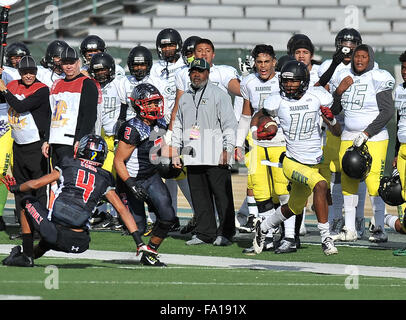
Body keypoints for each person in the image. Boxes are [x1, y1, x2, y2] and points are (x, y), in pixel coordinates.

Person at [1, 134, 155, 267]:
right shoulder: (104, 177)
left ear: (81, 149)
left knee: (26, 202)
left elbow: (35, 184)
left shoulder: (68, 164)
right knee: (47, 242)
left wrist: (15, 188)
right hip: (81, 242)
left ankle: (26, 257)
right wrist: (139, 242)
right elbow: (122, 210)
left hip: (55, 232)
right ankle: (24, 256)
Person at [251, 60, 341, 256]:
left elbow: (337, 131)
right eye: (286, 81)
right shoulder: (277, 100)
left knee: (293, 207)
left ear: (304, 81)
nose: (289, 85)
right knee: (320, 185)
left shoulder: (317, 97)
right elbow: (260, 115)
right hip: (292, 162)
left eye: (293, 81)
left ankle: (263, 228)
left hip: (313, 163)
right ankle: (326, 239)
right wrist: (267, 126)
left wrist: (331, 119)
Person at [330, 44, 395, 243]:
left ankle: (378, 228)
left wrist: (367, 133)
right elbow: (333, 110)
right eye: (357, 56)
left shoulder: (378, 77)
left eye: (364, 57)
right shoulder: (344, 75)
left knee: (374, 182)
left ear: (370, 59)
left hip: (374, 137)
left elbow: (387, 111)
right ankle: (350, 229)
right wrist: (338, 93)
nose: (359, 60)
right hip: (349, 135)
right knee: (348, 180)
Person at [171, 58, 237, 246]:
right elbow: (178, 125)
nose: (196, 75)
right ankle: (204, 233)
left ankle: (226, 232)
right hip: (193, 154)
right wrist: (176, 151)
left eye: (200, 71)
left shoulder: (219, 94)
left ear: (208, 73)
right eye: (193, 71)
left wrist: (227, 150)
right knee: (199, 196)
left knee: (222, 196)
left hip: (215, 154)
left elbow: (229, 124)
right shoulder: (184, 97)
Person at [235, 44, 292, 254]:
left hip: (280, 141)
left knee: (283, 190)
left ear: (274, 62)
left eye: (267, 61)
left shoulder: (283, 79)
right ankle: (266, 237)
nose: (263, 66)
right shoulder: (249, 81)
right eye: (259, 62)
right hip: (257, 143)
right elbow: (245, 115)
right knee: (261, 192)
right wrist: (239, 143)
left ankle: (288, 237)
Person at [114, 83, 177, 266]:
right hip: (131, 179)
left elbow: (162, 150)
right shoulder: (132, 128)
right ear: (139, 105)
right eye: (150, 104)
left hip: (150, 176)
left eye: (156, 103)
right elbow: (118, 161)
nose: (154, 107)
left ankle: (150, 253)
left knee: (168, 217)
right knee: (138, 226)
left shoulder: (161, 123)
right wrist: (130, 184)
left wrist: (185, 153)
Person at [317, 28, 371, 239]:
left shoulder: (365, 66)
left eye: (352, 43)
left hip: (355, 128)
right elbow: (319, 89)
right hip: (333, 125)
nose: (348, 48)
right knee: (333, 174)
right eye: (344, 43)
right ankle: (335, 216)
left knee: (358, 170)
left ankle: (358, 217)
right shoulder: (328, 66)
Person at [0, 56, 50, 238]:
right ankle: (25, 228)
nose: (28, 76)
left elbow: (21, 106)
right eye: (25, 72)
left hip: (36, 146)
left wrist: (4, 90)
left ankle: (41, 228)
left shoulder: (42, 90)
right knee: (21, 188)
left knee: (38, 188)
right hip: (18, 145)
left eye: (31, 72)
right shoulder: (13, 84)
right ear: (19, 72)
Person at [42, 46, 100, 166]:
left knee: (69, 179)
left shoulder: (87, 84)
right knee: (55, 180)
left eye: (72, 63)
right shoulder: (57, 84)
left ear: (78, 62)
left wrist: (80, 140)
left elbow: (89, 116)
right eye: (65, 63)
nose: (68, 67)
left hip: (72, 141)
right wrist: (47, 139)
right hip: (55, 140)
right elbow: (51, 114)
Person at [87, 52, 124, 231]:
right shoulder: (90, 85)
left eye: (104, 69)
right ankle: (102, 213)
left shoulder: (119, 84)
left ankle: (119, 215)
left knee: (114, 178)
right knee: (101, 177)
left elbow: (126, 105)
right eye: (98, 70)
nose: (101, 73)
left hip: (113, 137)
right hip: (97, 136)